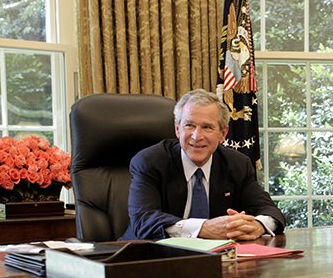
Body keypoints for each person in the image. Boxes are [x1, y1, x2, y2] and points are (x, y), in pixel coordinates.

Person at [121, 88, 286, 241]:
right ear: (177, 129)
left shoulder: (237, 164)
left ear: (223, 134)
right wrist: (203, 228)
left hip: (214, 259)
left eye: (207, 127)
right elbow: (143, 220)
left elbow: (271, 211)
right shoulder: (150, 162)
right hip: (145, 257)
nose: (196, 136)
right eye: (189, 125)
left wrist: (257, 225)